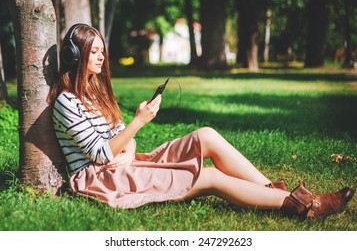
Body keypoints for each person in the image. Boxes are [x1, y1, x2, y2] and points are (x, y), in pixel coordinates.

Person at [48, 24, 354, 220]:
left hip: (126, 164)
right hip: (101, 179)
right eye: (93, 51)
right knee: (207, 178)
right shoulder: (66, 101)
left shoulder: (95, 91)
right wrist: (138, 123)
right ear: (76, 55)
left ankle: (271, 191)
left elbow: (119, 139)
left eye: (103, 50)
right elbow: (101, 154)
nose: (101, 57)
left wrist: (128, 148)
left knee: (205, 135)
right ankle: (304, 205)